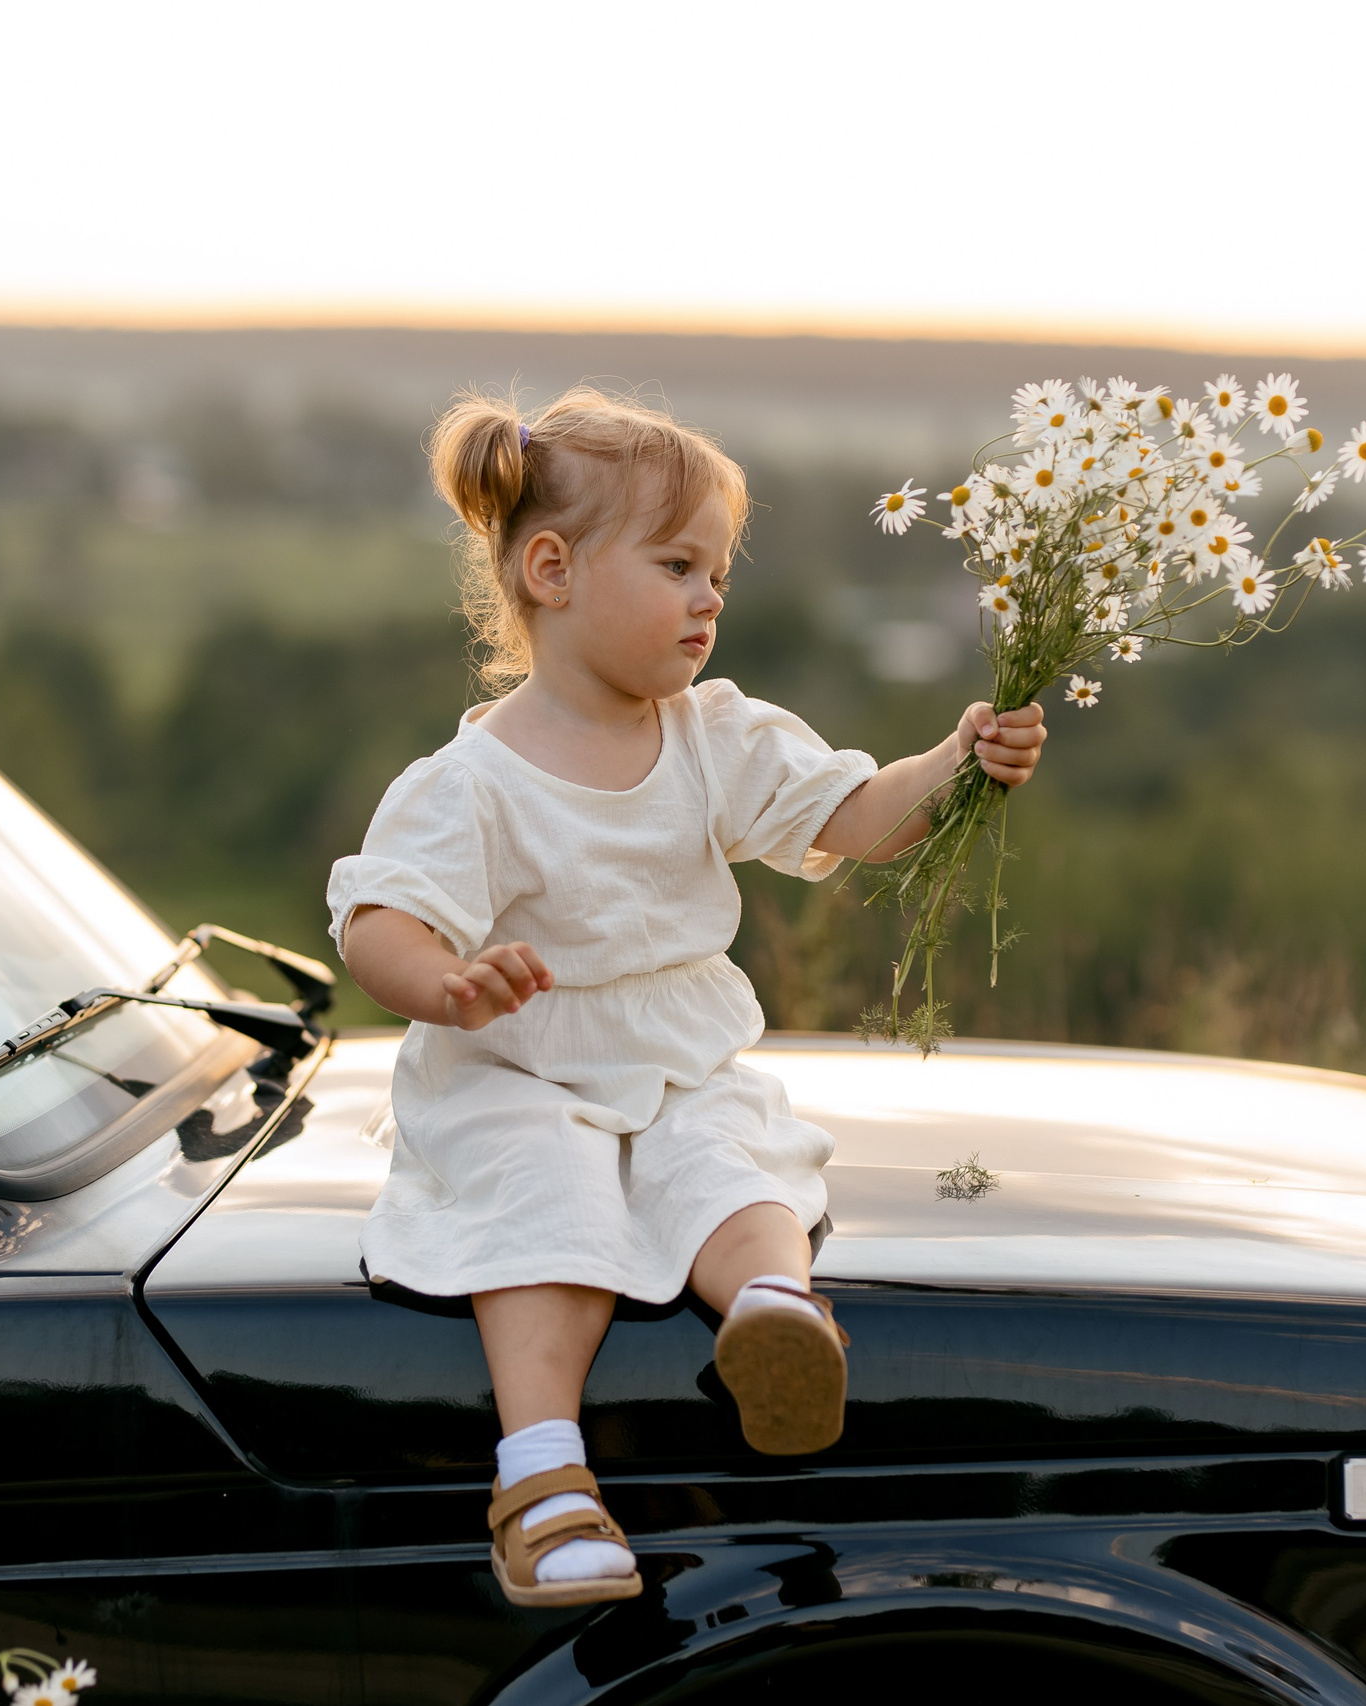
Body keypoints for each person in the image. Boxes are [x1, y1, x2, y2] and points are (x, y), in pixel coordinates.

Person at [329, 387, 1048, 1609]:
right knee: (538, 1193)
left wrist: (957, 758)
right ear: (551, 568)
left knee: (725, 1149)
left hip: (673, 1056)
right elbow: (377, 918)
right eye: (677, 565)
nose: (711, 596)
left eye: (716, 569)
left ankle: (774, 1312)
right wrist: (448, 984)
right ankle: (543, 1477)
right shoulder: (470, 782)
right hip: (517, 1066)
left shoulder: (714, 734)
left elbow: (859, 816)